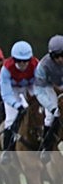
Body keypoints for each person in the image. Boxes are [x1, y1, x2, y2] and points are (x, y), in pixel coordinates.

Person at [0, 41, 39, 165]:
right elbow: (6, 94)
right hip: (13, 90)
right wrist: (18, 106)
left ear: (30, 59)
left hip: (30, 86)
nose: (22, 64)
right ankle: (7, 151)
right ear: (13, 59)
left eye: (25, 61)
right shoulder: (6, 69)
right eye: (19, 61)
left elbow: (39, 86)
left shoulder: (36, 65)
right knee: (10, 119)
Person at [36, 34, 63, 163]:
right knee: (51, 115)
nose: (60, 59)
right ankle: (46, 148)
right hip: (48, 86)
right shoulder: (42, 66)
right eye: (57, 56)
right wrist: (51, 107)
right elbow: (39, 91)